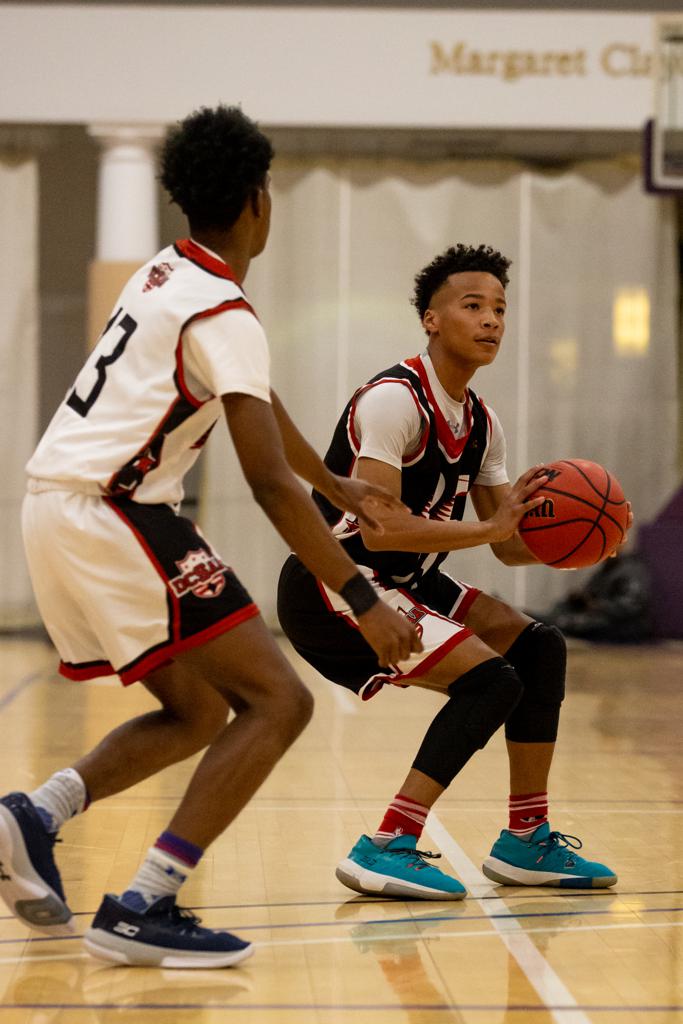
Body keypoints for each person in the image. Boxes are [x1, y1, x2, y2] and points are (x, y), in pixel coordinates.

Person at [0, 105, 422, 968]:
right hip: (115, 509)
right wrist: (361, 597)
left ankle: (32, 816)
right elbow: (264, 480)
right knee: (281, 700)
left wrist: (331, 480)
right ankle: (146, 902)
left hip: (56, 502)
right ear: (259, 201)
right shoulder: (225, 311)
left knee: (196, 710)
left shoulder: (164, 274)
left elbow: (253, 405)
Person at [278, 243, 632, 900]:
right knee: (491, 683)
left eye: (498, 308)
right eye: (472, 306)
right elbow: (380, 524)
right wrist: (489, 528)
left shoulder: (481, 423)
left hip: (405, 576)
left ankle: (525, 838)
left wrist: (587, 540)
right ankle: (387, 842)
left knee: (538, 648)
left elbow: (507, 545)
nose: (491, 320)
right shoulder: (392, 401)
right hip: (335, 582)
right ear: (431, 319)